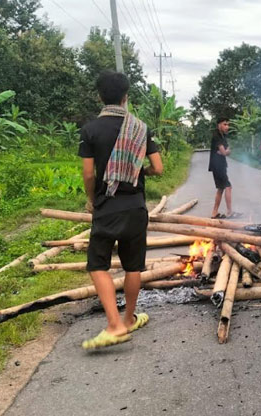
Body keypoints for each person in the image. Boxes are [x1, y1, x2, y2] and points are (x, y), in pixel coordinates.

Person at [78, 71, 163, 349]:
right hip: (136, 206)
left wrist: (92, 200)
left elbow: (89, 174)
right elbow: (158, 168)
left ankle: (114, 325)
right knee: (133, 265)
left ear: (99, 96)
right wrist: (140, 171)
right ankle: (128, 319)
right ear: (126, 97)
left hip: (107, 205)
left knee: (97, 265)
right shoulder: (139, 127)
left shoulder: (91, 130)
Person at [208, 117, 240, 219]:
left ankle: (214, 213)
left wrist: (225, 152)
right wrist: (226, 151)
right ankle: (230, 212)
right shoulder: (217, 135)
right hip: (217, 166)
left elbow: (226, 153)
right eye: (225, 124)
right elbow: (225, 152)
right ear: (219, 125)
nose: (227, 127)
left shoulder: (222, 136)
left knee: (221, 188)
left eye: (228, 124)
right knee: (228, 187)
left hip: (219, 165)